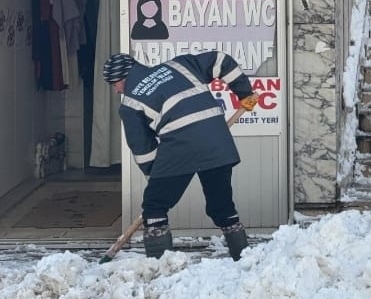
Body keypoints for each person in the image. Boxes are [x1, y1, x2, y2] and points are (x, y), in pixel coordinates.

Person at [102, 51, 260, 260]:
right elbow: (221, 61)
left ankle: (159, 265)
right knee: (221, 205)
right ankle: (243, 258)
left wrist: (156, 176)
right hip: (218, 141)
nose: (116, 91)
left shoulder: (130, 105)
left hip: (180, 149)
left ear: (122, 78)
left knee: (154, 207)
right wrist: (244, 92)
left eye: (114, 84)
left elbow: (143, 149)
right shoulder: (180, 65)